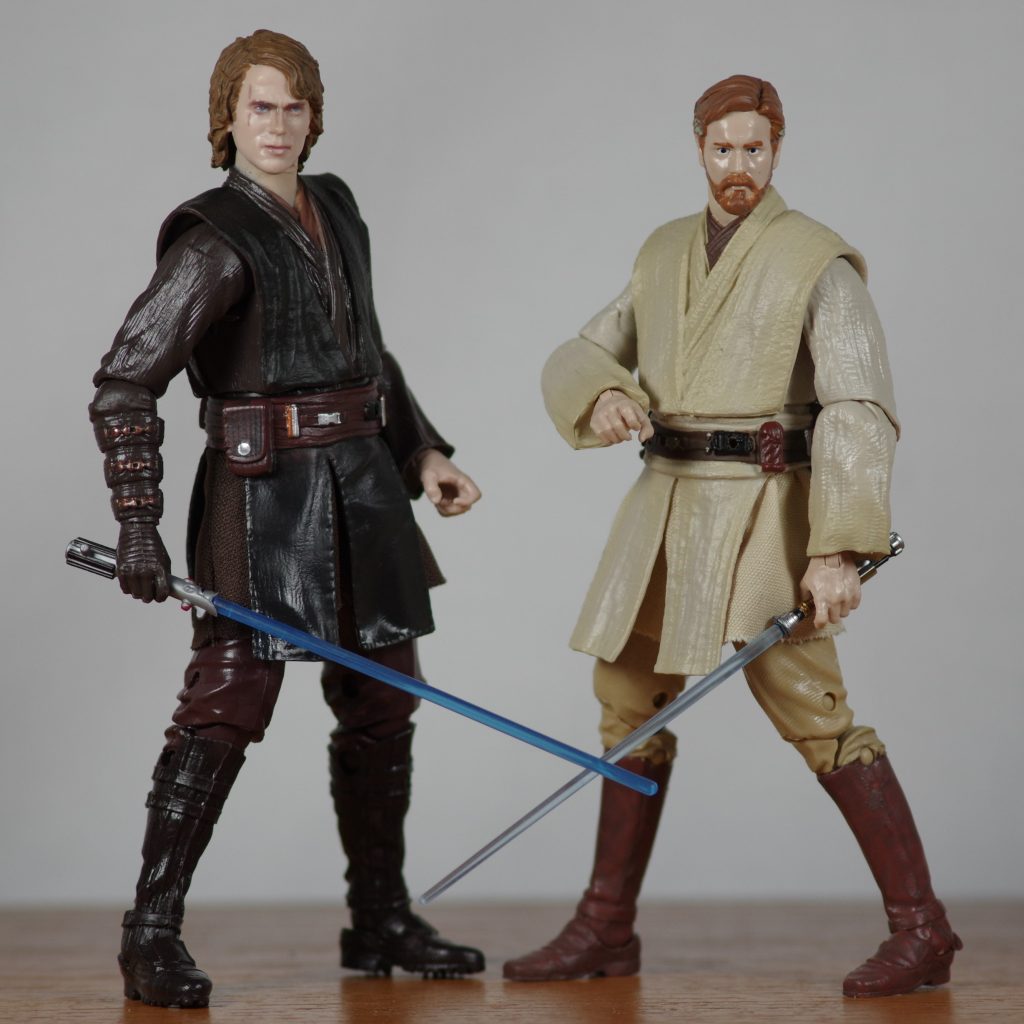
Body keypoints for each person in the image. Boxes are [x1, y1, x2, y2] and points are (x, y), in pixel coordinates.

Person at [502, 74, 960, 998]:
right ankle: (606, 925)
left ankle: (923, 928)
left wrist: (837, 547)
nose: (738, 165)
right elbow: (584, 348)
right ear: (699, 150)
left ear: (777, 149)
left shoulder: (816, 261)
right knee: (626, 703)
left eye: (754, 147)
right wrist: (605, 391)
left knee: (814, 710)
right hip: (666, 505)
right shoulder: (663, 251)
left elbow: (858, 406)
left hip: (765, 513)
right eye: (723, 148)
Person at [89, 29, 484, 1009]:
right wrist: (137, 527)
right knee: (228, 700)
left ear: (314, 117)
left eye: (293, 106)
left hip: (363, 486)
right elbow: (125, 384)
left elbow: (367, 354)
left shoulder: (336, 206)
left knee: (385, 699)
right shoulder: (214, 238)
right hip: (259, 499)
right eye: (259, 106)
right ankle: (150, 931)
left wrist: (423, 452)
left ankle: (379, 917)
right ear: (227, 117)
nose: (277, 124)